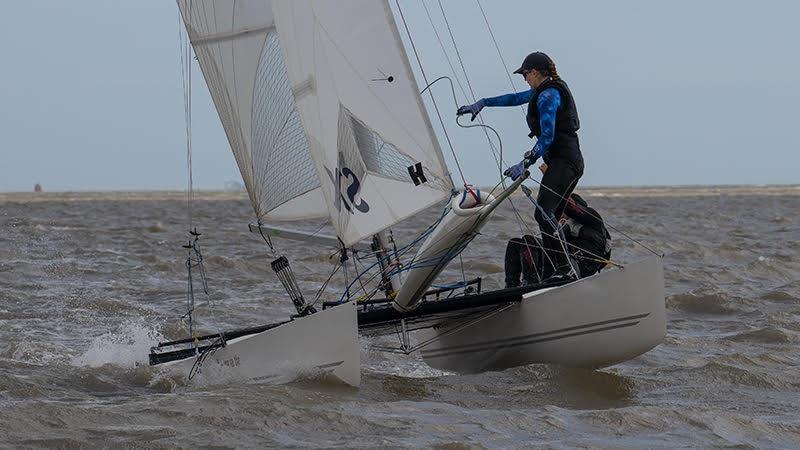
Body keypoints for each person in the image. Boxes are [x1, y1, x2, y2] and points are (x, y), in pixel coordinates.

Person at [458, 51, 584, 280]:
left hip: (566, 162)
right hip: (564, 162)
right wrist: (484, 103)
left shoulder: (549, 96)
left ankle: (565, 268)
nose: (524, 79)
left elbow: (547, 136)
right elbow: (514, 98)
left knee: (544, 212)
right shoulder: (543, 91)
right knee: (549, 213)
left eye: (525, 74)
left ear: (535, 72)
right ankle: (560, 268)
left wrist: (525, 162)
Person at [503, 193, 611, 288]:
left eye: (560, 210)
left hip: (581, 266)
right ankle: (513, 285)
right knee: (517, 243)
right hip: (562, 262)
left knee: (530, 240)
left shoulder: (593, 219)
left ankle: (530, 283)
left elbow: (571, 207)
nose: (558, 214)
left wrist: (553, 182)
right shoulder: (564, 226)